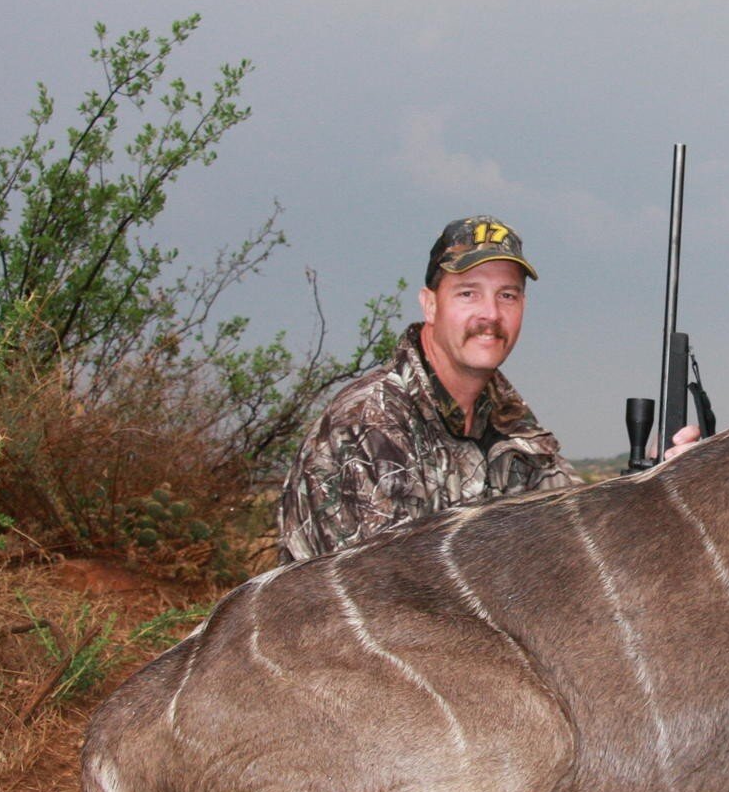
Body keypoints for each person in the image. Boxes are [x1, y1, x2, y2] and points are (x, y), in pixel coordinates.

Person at [276, 215, 698, 563]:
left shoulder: (515, 429)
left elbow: (582, 539)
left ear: (523, 308)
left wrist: (654, 487)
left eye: (507, 296)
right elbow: (382, 603)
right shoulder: (367, 426)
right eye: (468, 293)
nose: (490, 314)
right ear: (430, 304)